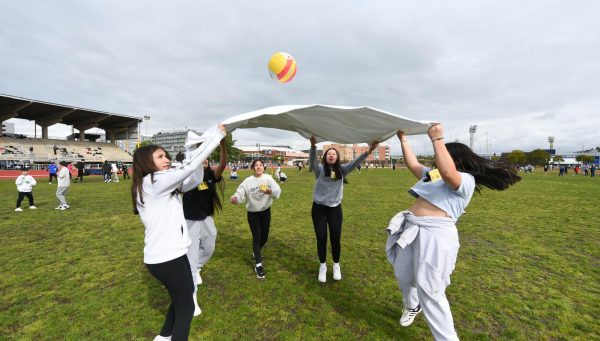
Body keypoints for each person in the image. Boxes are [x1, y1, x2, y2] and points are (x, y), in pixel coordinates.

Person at [387, 125, 520, 340]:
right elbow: (413, 165)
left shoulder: (465, 180)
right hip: (412, 228)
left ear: (454, 158)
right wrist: (403, 140)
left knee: (431, 291)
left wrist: (437, 138)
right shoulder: (435, 175)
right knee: (403, 275)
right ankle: (412, 306)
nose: (437, 161)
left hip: (436, 236)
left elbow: (449, 171)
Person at [131, 124, 225, 341]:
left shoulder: (159, 183)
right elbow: (186, 170)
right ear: (147, 162)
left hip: (175, 253)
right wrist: (215, 137)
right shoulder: (152, 182)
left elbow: (192, 179)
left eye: (166, 155)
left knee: (182, 296)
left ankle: (164, 337)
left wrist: (198, 156)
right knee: (186, 308)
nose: (166, 159)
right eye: (160, 156)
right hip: (165, 257)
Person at [309, 136, 378, 283]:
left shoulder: (342, 170)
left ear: (337, 157)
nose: (331, 155)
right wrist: (313, 146)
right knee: (321, 238)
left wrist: (369, 151)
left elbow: (355, 162)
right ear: (325, 157)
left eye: (334, 154)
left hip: (335, 210)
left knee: (335, 238)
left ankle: (336, 265)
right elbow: (312, 161)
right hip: (319, 209)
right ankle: (322, 266)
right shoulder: (319, 170)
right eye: (329, 154)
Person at [183, 139, 227, 316]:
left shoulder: (210, 175)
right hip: (191, 221)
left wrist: (223, 145)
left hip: (207, 219)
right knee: (191, 257)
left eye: (206, 156)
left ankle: (198, 268)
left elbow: (223, 165)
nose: (205, 159)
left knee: (209, 247)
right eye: (201, 156)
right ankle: (192, 295)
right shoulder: (189, 176)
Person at [230, 159, 281, 279]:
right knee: (257, 236)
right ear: (253, 168)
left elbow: (278, 190)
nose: (258, 167)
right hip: (253, 213)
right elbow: (240, 192)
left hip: (265, 212)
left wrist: (270, 191)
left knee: (265, 236)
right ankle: (258, 264)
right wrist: (235, 198)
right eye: (256, 165)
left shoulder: (268, 178)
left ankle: (256, 251)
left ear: (264, 167)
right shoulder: (248, 181)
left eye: (261, 165)